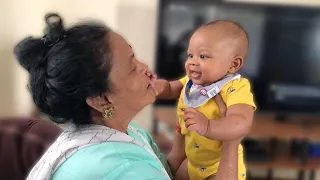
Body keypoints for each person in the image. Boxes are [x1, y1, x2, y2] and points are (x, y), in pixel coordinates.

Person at [14, 13, 241, 180]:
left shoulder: (126, 132)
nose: (146, 69)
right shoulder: (127, 168)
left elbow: (165, 171)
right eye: (132, 67)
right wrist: (231, 139)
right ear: (100, 100)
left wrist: (182, 137)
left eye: (136, 57)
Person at [156, 20, 256, 180]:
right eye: (190, 55)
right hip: (192, 162)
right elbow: (171, 89)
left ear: (233, 64)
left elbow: (241, 121)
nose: (192, 62)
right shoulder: (191, 82)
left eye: (203, 56)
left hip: (217, 166)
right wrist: (159, 87)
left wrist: (208, 126)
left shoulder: (234, 88)